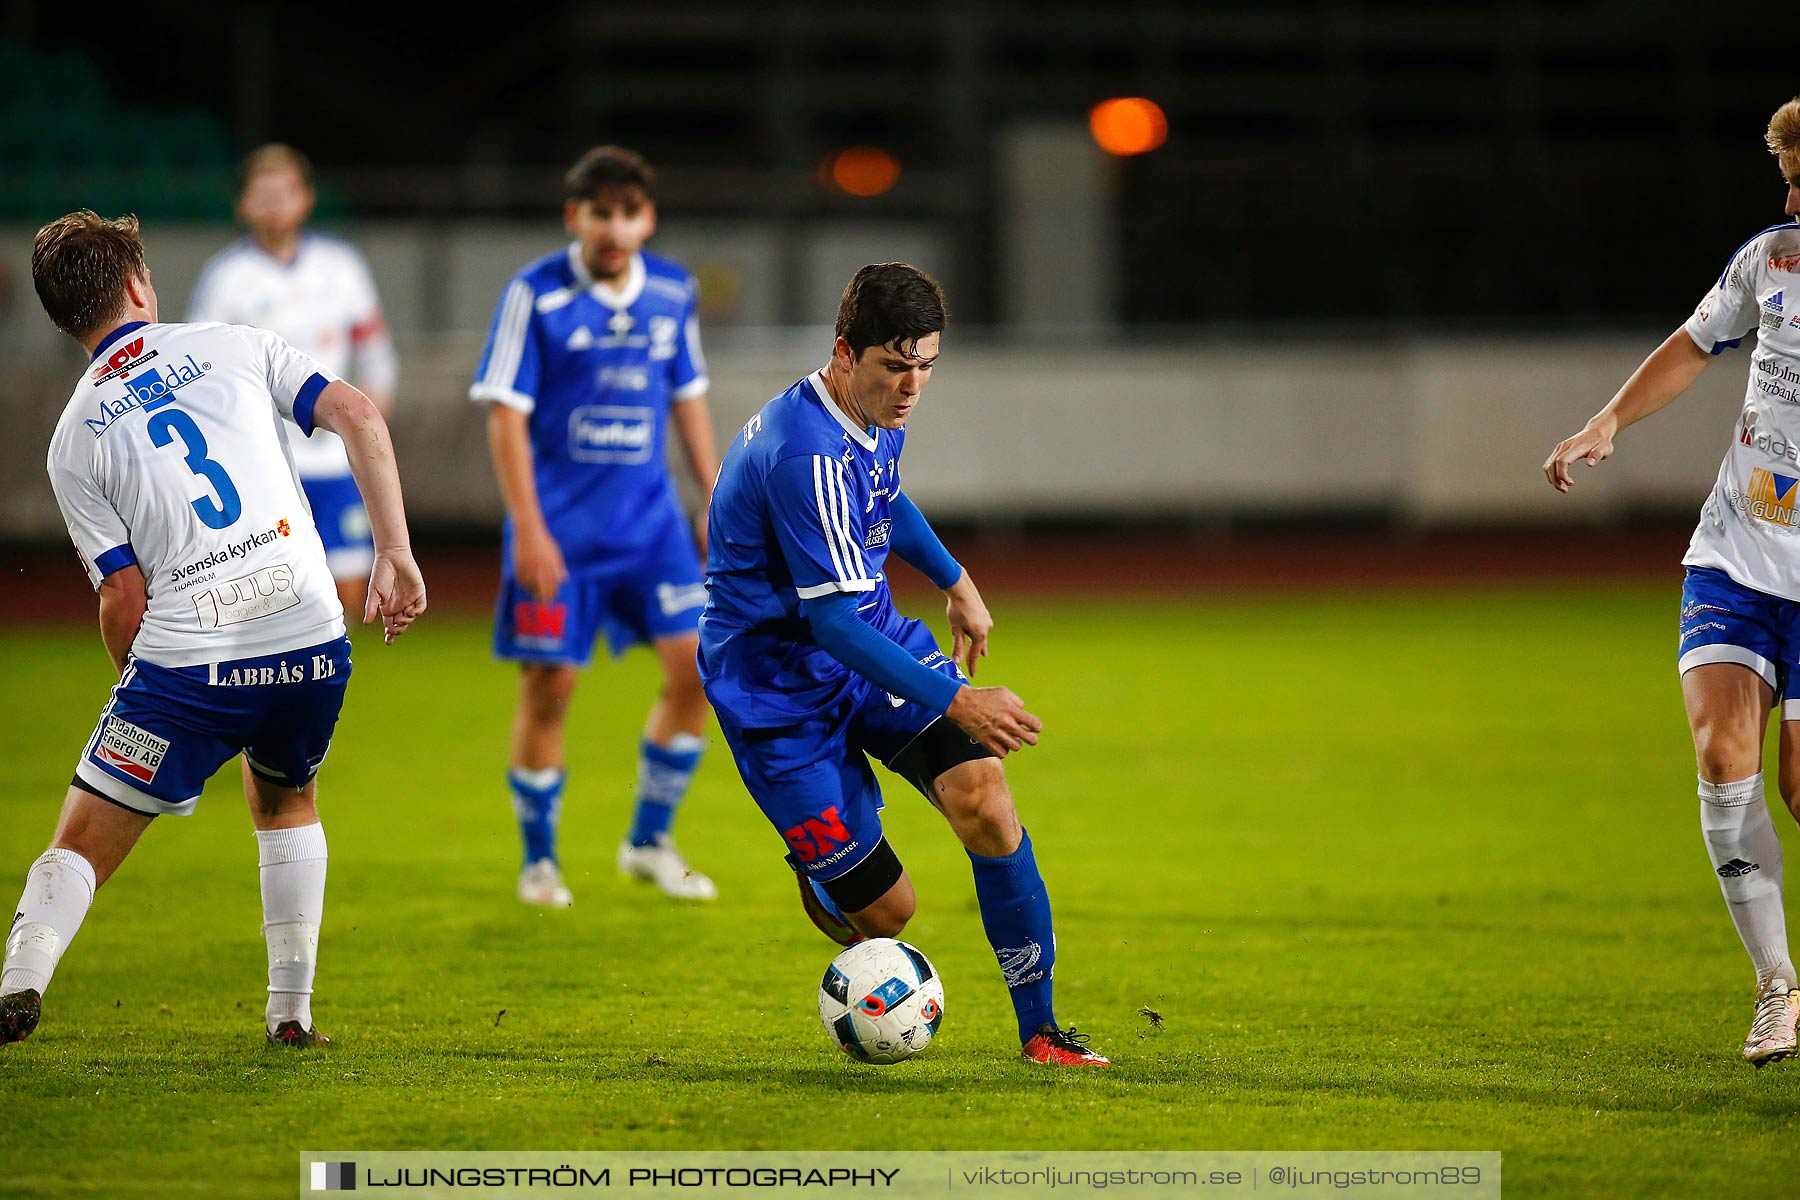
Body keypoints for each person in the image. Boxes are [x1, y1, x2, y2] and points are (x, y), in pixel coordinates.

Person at [0, 211, 425, 1050]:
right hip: (310, 635)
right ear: (136, 284)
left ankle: (19, 983)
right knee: (286, 797)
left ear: (61, 315)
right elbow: (362, 417)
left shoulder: (72, 440)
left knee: (83, 838)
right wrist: (394, 553)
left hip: (190, 664)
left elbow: (122, 595)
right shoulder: (235, 343)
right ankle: (291, 1014)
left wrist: (141, 682)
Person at [698, 262, 1109, 1066]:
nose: (911, 386)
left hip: (864, 641)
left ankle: (1042, 1032)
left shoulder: (871, 407)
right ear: (844, 352)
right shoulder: (803, 455)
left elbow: (886, 497)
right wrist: (961, 704)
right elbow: (832, 626)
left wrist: (956, 581)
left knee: (986, 799)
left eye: (924, 366)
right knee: (889, 914)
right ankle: (822, 870)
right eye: (894, 366)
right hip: (777, 690)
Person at [1543, 97, 1800, 1066]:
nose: (1788, 194)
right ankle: (1779, 988)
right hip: (1738, 550)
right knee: (1722, 753)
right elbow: (1698, 342)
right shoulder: (1770, 258)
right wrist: (1609, 421)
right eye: (1787, 176)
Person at [470, 146, 720, 907]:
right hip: (561, 535)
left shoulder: (674, 292)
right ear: (574, 216)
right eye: (600, 213)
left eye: (629, 212)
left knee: (699, 672)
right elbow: (505, 418)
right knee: (550, 689)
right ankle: (539, 861)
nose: (615, 228)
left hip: (651, 529)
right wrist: (529, 529)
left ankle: (648, 841)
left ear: (648, 219)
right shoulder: (534, 294)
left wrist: (714, 499)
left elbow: (688, 398)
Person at [189, 144, 399, 620]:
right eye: (262, 192)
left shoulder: (341, 266)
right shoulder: (226, 277)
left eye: (285, 190)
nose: (274, 202)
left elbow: (377, 353)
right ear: (242, 204)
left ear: (306, 197)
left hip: (334, 456)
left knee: (349, 589)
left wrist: (369, 429)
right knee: (272, 592)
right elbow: (203, 372)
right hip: (265, 462)